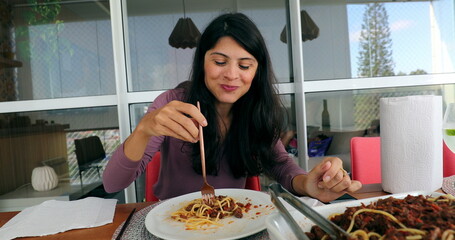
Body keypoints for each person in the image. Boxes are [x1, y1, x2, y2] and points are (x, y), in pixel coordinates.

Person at [103, 12, 361, 203]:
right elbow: (112, 183)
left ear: (256, 71)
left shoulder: (256, 109)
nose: (231, 75)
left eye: (244, 65)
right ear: (202, 61)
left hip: (235, 219)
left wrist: (308, 183)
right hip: (172, 222)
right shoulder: (174, 103)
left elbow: (280, 165)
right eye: (219, 61)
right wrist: (144, 130)